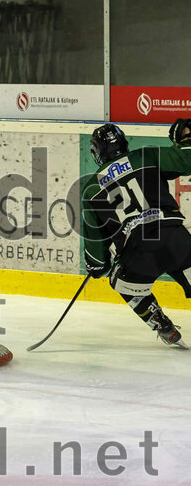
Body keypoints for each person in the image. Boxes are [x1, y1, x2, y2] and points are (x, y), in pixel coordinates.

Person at [82, 122, 191, 348]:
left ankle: (161, 324)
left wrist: (96, 266)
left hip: (140, 250)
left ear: (96, 152)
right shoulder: (146, 156)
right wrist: (185, 140)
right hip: (175, 235)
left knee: (120, 282)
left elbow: (96, 247)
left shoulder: (91, 190)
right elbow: (185, 159)